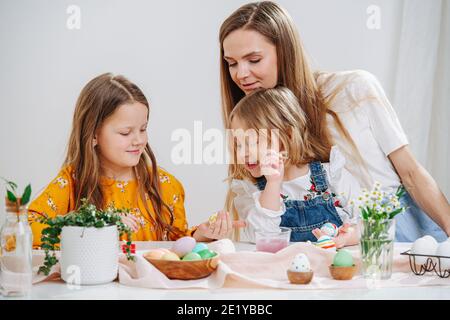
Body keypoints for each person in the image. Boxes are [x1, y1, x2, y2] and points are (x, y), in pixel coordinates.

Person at [219, 1, 449, 242]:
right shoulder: (251, 129)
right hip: (336, 254)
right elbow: (260, 223)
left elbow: (411, 173)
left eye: (254, 59)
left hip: (399, 233)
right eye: (232, 63)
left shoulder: (353, 90)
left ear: (285, 52)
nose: (241, 74)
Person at [28, 73, 233, 248]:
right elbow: (25, 229)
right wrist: (97, 228)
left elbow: (174, 246)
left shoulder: (165, 185)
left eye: (143, 129)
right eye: (126, 133)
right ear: (93, 134)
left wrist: (201, 235)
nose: (139, 140)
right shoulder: (72, 181)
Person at [229, 86, 359, 247]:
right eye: (238, 144)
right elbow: (261, 236)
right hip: (284, 269)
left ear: (288, 137)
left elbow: (368, 223)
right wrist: (273, 184)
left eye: (252, 142)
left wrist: (345, 238)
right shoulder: (253, 191)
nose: (242, 153)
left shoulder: (332, 175)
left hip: (332, 267)